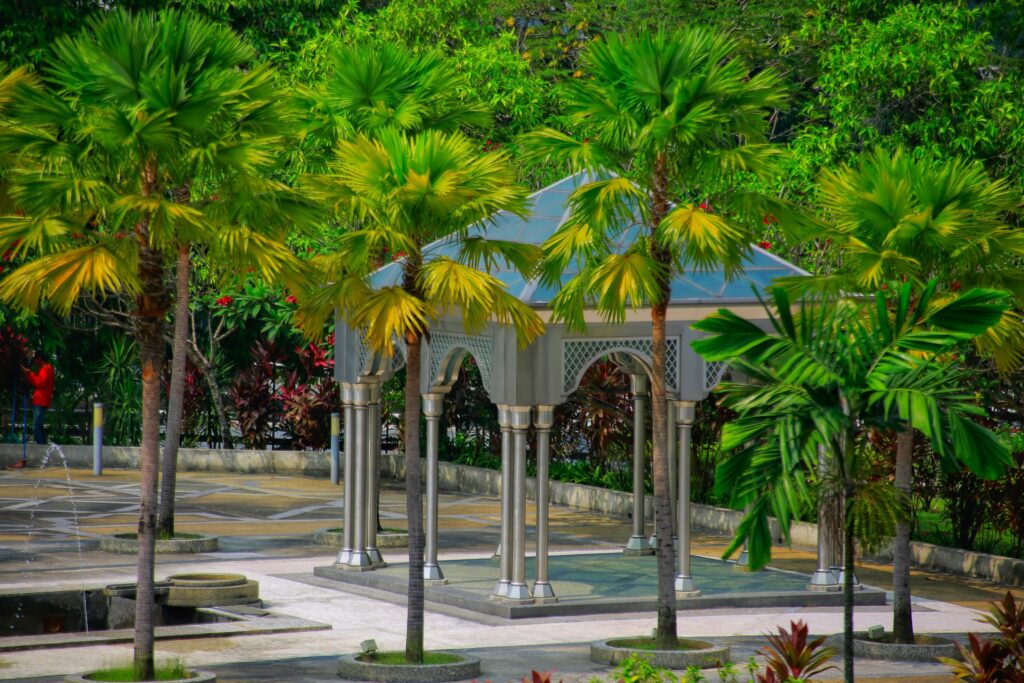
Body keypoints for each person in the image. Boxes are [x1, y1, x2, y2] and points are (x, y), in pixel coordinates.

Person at [7, 350, 54, 469]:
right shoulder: (44, 369)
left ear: (39, 359)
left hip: (41, 401)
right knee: (38, 425)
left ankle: (42, 448)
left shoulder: (47, 368)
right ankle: (42, 448)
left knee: (36, 425)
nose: (35, 362)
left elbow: (40, 383)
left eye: (36, 360)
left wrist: (29, 373)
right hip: (38, 400)